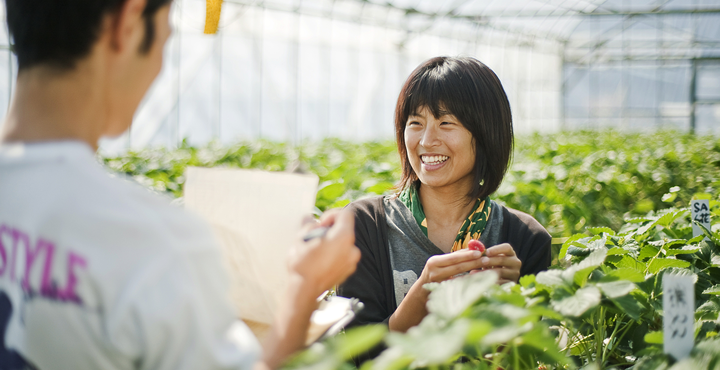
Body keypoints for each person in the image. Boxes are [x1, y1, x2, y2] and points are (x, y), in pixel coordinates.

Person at [0, 0, 360, 369]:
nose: (158, 66)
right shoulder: (149, 239)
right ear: (128, 22)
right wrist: (304, 287)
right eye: (166, 39)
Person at [337, 56, 552, 338]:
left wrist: (513, 300)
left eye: (446, 122)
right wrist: (423, 293)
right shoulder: (363, 225)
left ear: (487, 133)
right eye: (415, 122)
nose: (426, 140)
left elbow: (531, 356)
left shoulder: (526, 238)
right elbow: (356, 355)